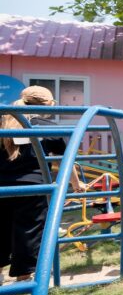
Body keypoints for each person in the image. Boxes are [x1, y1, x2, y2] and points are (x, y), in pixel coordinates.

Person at [0, 86, 85, 284]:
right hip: (33, 188)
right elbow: (66, 159)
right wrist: (76, 183)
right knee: (30, 230)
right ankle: (24, 278)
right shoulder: (45, 126)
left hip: (2, 186)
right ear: (47, 105)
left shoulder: (3, 121)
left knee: (1, 229)